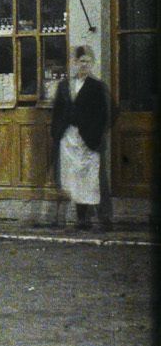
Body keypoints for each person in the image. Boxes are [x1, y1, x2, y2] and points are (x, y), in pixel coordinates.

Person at [50, 45, 111, 231]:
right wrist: (57, 132)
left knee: (89, 178)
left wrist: (95, 132)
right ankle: (77, 218)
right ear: (74, 63)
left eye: (87, 61)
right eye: (80, 61)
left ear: (92, 64)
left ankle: (94, 219)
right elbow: (57, 112)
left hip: (88, 139)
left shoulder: (97, 87)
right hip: (68, 139)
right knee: (71, 177)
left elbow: (105, 114)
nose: (84, 65)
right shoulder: (65, 86)